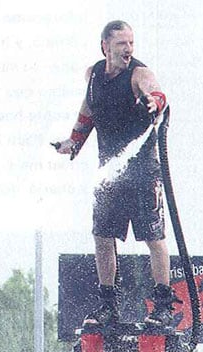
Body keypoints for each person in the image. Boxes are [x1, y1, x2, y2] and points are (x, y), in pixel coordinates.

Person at [55, 20, 180, 327]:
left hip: (142, 171)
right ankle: (108, 304)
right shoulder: (94, 75)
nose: (129, 50)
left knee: (154, 236)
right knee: (102, 235)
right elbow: (89, 110)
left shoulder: (139, 74)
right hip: (109, 172)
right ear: (105, 46)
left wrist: (154, 102)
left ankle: (162, 306)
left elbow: (157, 92)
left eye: (131, 44)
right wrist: (73, 142)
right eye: (122, 44)